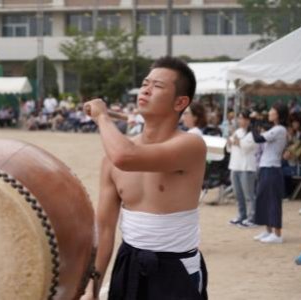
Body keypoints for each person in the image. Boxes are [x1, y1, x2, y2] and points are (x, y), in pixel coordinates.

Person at [81, 56, 208, 300]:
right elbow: (105, 229)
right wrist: (92, 286)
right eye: (145, 83)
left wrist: (102, 117)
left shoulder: (191, 146)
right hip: (128, 263)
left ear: (180, 102)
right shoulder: (112, 159)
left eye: (158, 86)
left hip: (175, 269)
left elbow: (125, 157)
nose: (146, 90)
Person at [252, 103, 288, 244]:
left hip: (272, 168)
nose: (270, 111)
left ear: (278, 113)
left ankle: (277, 234)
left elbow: (258, 138)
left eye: (272, 109)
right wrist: (257, 123)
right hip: (266, 167)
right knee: (264, 199)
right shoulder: (275, 128)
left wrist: (253, 123)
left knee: (273, 200)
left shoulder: (280, 129)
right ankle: (268, 231)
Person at [227, 110, 257, 227]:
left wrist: (237, 142)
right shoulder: (237, 131)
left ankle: (252, 218)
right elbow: (230, 147)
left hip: (247, 167)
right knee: (238, 194)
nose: (241, 121)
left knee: (249, 195)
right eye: (239, 118)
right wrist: (230, 142)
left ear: (249, 120)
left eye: (244, 119)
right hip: (235, 165)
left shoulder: (253, 133)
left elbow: (248, 147)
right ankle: (241, 216)